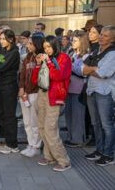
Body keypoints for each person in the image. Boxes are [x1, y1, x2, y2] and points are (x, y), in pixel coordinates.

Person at [32, 35, 72, 172]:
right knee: (42, 127)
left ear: (55, 45)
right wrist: (38, 65)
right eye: (44, 48)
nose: (47, 50)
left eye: (49, 47)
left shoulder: (64, 58)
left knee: (50, 129)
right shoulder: (44, 59)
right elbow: (34, 80)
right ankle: (49, 156)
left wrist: (48, 62)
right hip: (42, 94)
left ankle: (64, 160)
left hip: (55, 97)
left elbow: (58, 76)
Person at [83, 25, 115, 166]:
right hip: (92, 90)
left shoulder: (112, 54)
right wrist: (93, 69)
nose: (101, 37)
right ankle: (100, 150)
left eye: (105, 35)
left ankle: (109, 154)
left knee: (106, 125)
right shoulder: (96, 51)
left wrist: (91, 69)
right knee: (95, 123)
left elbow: (103, 73)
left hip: (105, 92)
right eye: (101, 34)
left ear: (113, 39)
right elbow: (81, 68)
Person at [19, 34, 44, 157]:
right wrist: (21, 88)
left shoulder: (41, 58)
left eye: (30, 43)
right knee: (27, 121)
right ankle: (30, 143)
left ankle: (36, 146)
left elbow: (40, 78)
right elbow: (22, 74)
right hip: (25, 93)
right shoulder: (27, 57)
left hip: (35, 93)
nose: (28, 46)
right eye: (28, 43)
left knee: (35, 122)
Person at [64, 31, 89, 148]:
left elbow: (83, 72)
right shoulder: (72, 53)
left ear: (82, 42)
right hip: (69, 87)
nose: (72, 42)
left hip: (79, 89)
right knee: (69, 114)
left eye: (75, 41)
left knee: (78, 115)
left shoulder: (87, 55)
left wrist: (70, 65)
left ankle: (78, 139)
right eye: (72, 40)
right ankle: (70, 137)